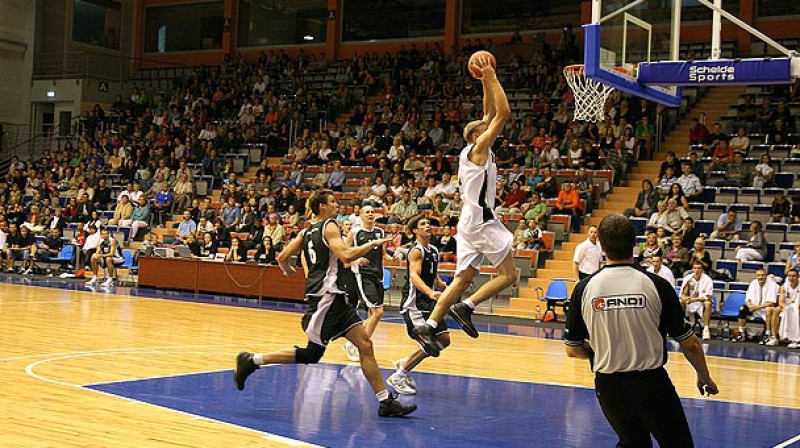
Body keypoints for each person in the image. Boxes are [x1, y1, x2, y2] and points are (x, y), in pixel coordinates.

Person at [233, 190, 415, 418]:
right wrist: (374, 243)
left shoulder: (306, 230)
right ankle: (251, 360)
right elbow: (346, 255)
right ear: (321, 207)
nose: (337, 205)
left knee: (365, 345)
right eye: (332, 202)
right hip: (325, 297)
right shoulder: (329, 225)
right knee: (312, 354)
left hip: (335, 297)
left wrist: (289, 270)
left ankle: (385, 401)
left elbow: (282, 257)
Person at [565, 214, 718, 448]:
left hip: (609, 386)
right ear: (635, 245)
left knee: (633, 442)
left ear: (603, 247)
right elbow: (691, 343)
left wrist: (600, 353)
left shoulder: (583, 290)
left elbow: (572, 349)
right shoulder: (656, 285)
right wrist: (703, 376)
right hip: (652, 383)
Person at [411, 53, 517, 356]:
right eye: (481, 128)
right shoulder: (479, 148)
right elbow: (503, 113)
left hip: (468, 221)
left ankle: (428, 326)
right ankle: (467, 307)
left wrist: (485, 80)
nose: (487, 127)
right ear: (474, 135)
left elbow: (489, 111)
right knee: (510, 275)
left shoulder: (471, 150)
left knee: (463, 278)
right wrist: (493, 75)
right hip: (481, 220)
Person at [387, 216, 450, 395]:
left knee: (444, 340)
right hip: (415, 303)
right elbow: (414, 276)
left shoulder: (434, 250)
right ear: (414, 230)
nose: (427, 226)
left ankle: (405, 362)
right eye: (422, 224)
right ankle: (399, 375)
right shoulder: (415, 251)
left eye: (428, 223)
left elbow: (435, 277)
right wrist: (429, 292)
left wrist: (448, 288)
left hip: (429, 302)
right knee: (429, 343)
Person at [340, 205, 398, 362]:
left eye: (372, 212)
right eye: (367, 212)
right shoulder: (355, 232)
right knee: (378, 312)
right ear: (361, 216)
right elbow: (344, 254)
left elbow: (383, 254)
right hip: (363, 275)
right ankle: (357, 344)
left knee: (375, 314)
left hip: (378, 275)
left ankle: (352, 341)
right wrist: (355, 259)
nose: (371, 214)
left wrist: (393, 259)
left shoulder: (380, 232)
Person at [734, 269, 778, 343]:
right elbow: (747, 298)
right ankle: (741, 333)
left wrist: (756, 307)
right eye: (758, 275)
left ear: (766, 276)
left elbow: (772, 303)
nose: (760, 277)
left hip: (765, 309)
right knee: (742, 308)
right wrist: (750, 306)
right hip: (754, 309)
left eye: (763, 275)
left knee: (769, 309)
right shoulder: (753, 283)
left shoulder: (772, 284)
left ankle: (767, 334)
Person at [680, 261, 714, 340]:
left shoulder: (707, 280)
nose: (697, 270)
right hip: (690, 302)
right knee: (680, 301)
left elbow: (707, 297)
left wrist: (694, 299)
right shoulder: (688, 279)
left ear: (702, 270)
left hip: (701, 303)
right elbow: (683, 295)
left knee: (708, 303)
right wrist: (685, 298)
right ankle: (681, 326)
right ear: (692, 269)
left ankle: (706, 330)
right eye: (695, 268)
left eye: (699, 268)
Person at [765, 269, 799, 347]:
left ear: (798, 277)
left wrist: (792, 307)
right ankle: (774, 338)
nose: (791, 278)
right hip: (786, 307)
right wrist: (787, 308)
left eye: (793, 276)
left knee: (796, 311)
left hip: (796, 307)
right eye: (789, 276)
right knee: (776, 310)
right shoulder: (784, 287)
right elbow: (780, 302)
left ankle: (795, 340)